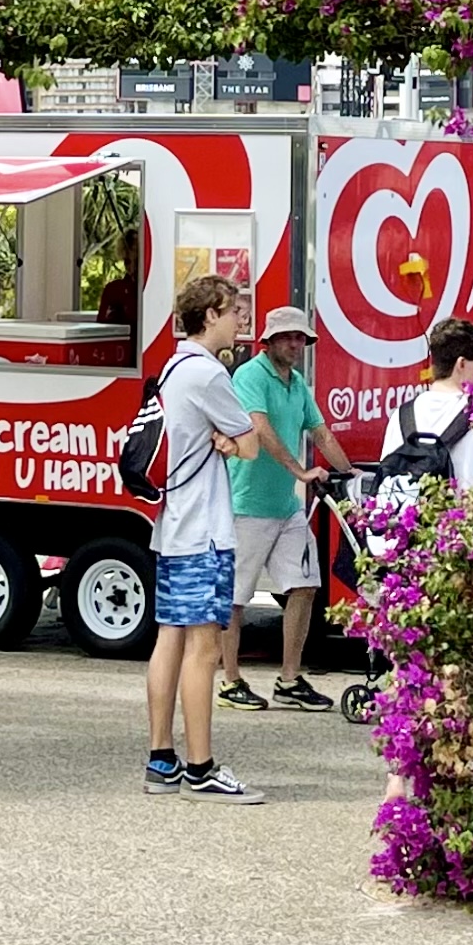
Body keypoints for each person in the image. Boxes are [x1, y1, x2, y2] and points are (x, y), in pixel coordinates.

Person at [144, 274, 275, 801]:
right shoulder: (209, 373)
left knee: (169, 640)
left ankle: (162, 760)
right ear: (208, 317)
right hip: (205, 530)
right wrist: (230, 437)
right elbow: (250, 446)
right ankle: (201, 768)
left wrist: (226, 436)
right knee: (205, 650)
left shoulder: (174, 367)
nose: (240, 319)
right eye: (232, 310)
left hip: (174, 525)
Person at [218, 305, 356, 715]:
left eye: (302, 339)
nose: (297, 345)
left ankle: (290, 679)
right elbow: (258, 428)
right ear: (271, 340)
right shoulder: (249, 376)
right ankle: (230, 681)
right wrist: (299, 468)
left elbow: (321, 432)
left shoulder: (296, 384)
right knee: (236, 599)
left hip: (286, 507)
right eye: (290, 338)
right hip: (246, 505)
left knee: (305, 585)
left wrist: (353, 476)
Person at [373, 315, 473, 517]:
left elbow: (388, 481)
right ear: (461, 364)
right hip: (465, 536)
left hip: (410, 538)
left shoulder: (402, 416)